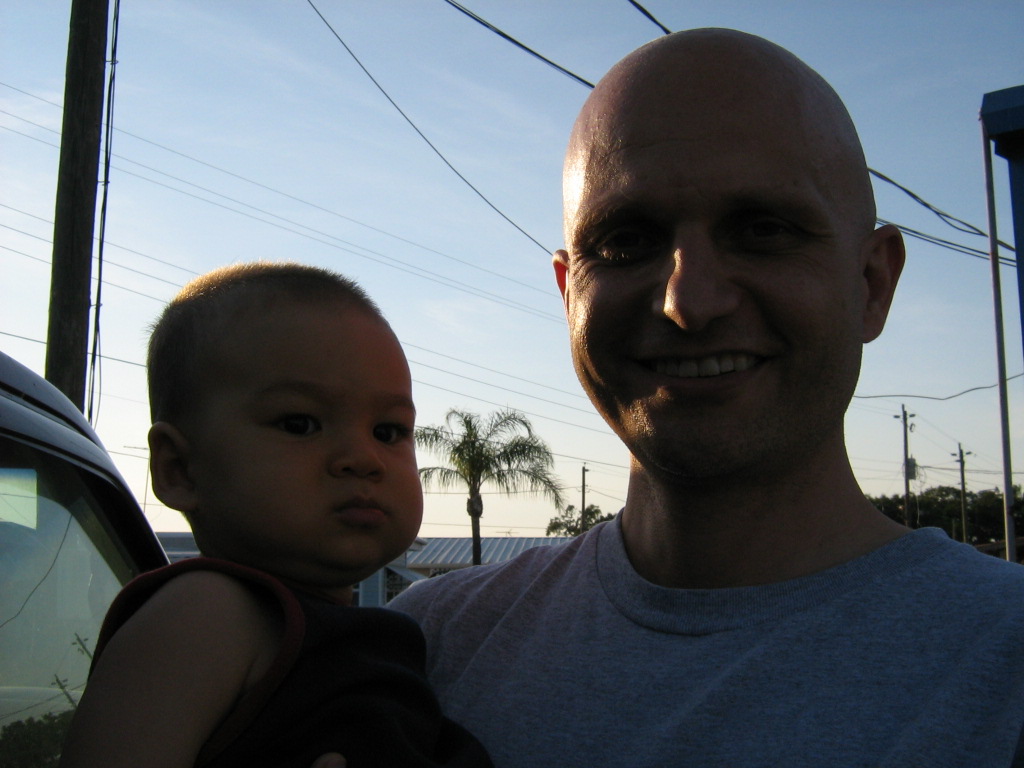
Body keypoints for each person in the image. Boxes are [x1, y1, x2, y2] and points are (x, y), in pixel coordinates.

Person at [387, 29, 1024, 767]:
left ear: (872, 283)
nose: (688, 302)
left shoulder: (1003, 666)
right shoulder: (415, 664)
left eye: (762, 230)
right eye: (625, 242)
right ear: (568, 294)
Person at [59, 263, 492, 768]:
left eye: (388, 431)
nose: (363, 458)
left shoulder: (362, 635)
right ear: (180, 470)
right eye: (300, 423)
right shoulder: (207, 614)